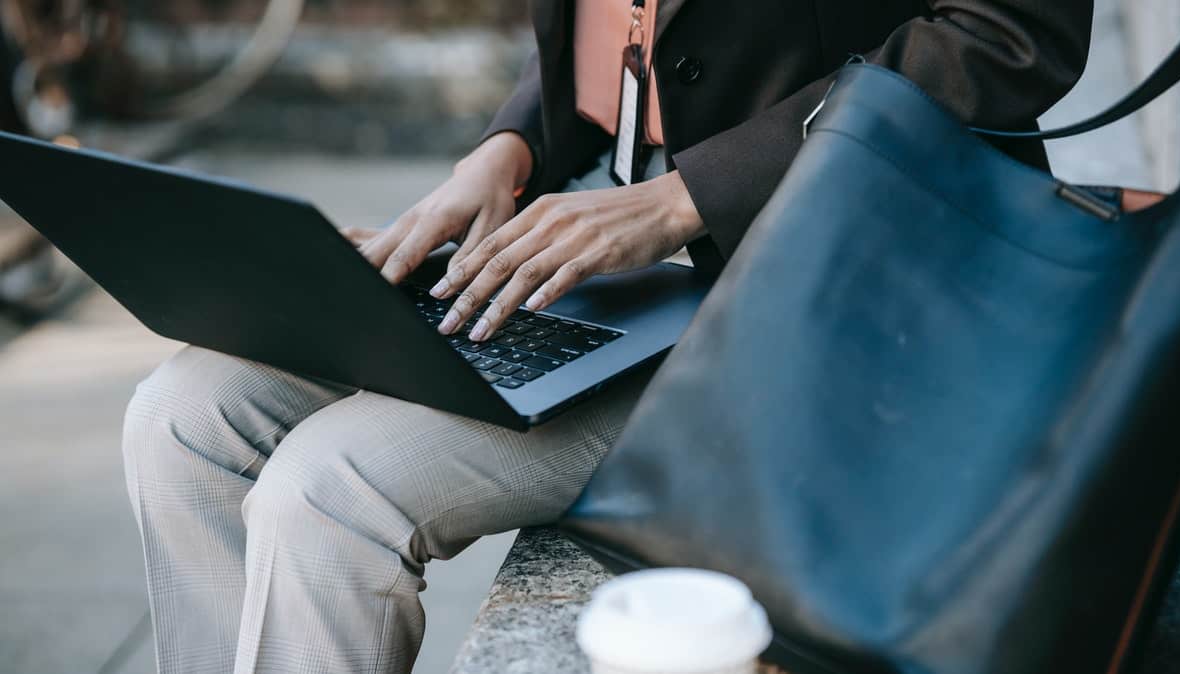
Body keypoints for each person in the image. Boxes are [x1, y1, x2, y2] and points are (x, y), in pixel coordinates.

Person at [122, 1, 1095, 672]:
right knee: (183, 417)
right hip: (586, 248)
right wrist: (508, 148)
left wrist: (684, 197)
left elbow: (1013, 31)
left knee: (328, 490)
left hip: (809, 282)